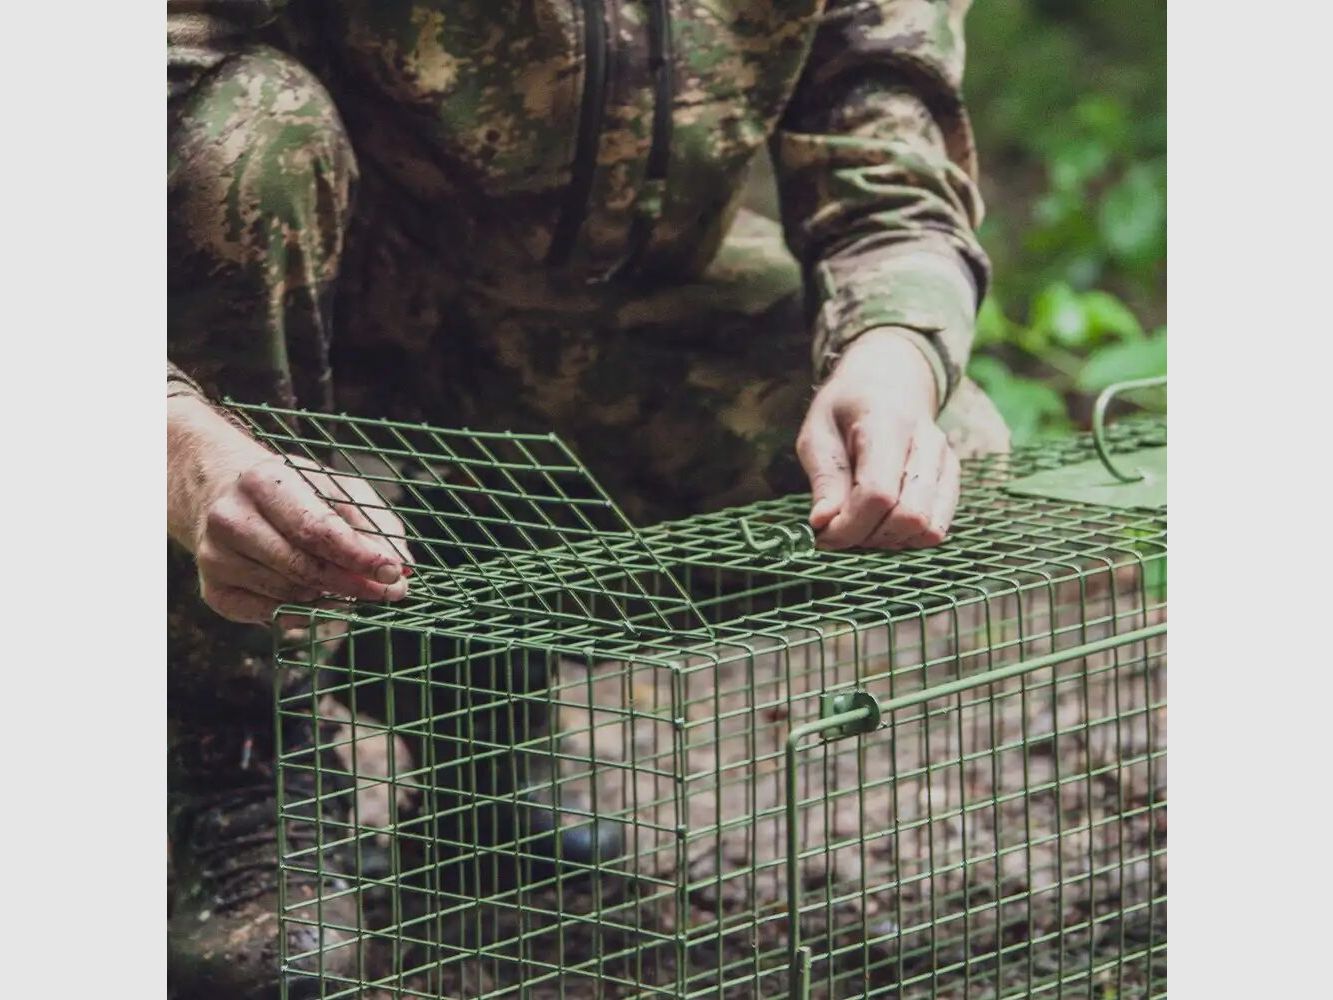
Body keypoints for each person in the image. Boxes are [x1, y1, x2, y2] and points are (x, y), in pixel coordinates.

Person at [166, 0, 1010, 995]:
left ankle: (471, 716)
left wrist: (894, 353)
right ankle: (227, 756)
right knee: (247, 123)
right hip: (274, 338)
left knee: (949, 451)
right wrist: (182, 451)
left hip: (585, 321)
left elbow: (886, 138)